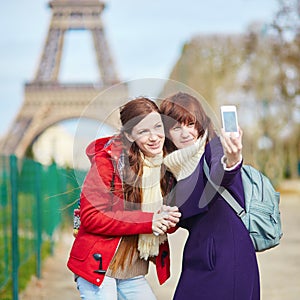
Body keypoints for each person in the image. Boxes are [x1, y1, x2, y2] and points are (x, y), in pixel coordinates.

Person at [67, 97, 181, 300]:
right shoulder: (108, 163)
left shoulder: (166, 166)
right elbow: (92, 217)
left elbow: (164, 227)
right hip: (99, 267)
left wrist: (165, 218)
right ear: (129, 134)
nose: (154, 137)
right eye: (143, 131)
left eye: (157, 127)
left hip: (131, 271)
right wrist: (149, 220)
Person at [160, 92, 260, 300]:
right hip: (198, 256)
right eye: (176, 127)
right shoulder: (171, 168)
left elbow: (221, 174)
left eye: (190, 123)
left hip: (227, 257)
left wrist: (232, 159)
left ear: (200, 124)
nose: (185, 132)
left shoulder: (215, 149)